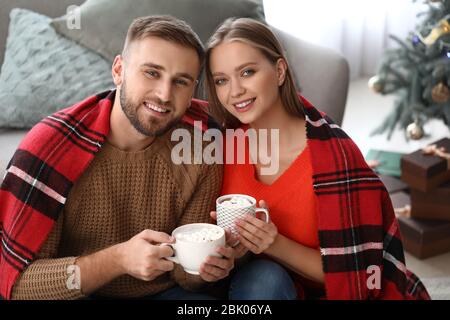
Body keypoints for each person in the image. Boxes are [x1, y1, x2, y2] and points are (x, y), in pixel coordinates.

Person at [0, 15, 235, 300]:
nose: (164, 94)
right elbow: (18, 284)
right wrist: (119, 259)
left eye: (181, 82)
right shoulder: (52, 149)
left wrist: (206, 268)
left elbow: (185, 277)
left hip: (164, 293)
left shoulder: (202, 146)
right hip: (77, 294)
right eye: (151, 72)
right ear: (119, 70)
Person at [205, 17, 430, 300]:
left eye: (247, 72)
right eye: (221, 80)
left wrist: (274, 243)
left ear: (279, 71)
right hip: (253, 283)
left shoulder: (335, 158)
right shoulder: (224, 141)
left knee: (267, 280)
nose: (234, 91)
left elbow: (358, 274)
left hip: (322, 292)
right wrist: (232, 251)